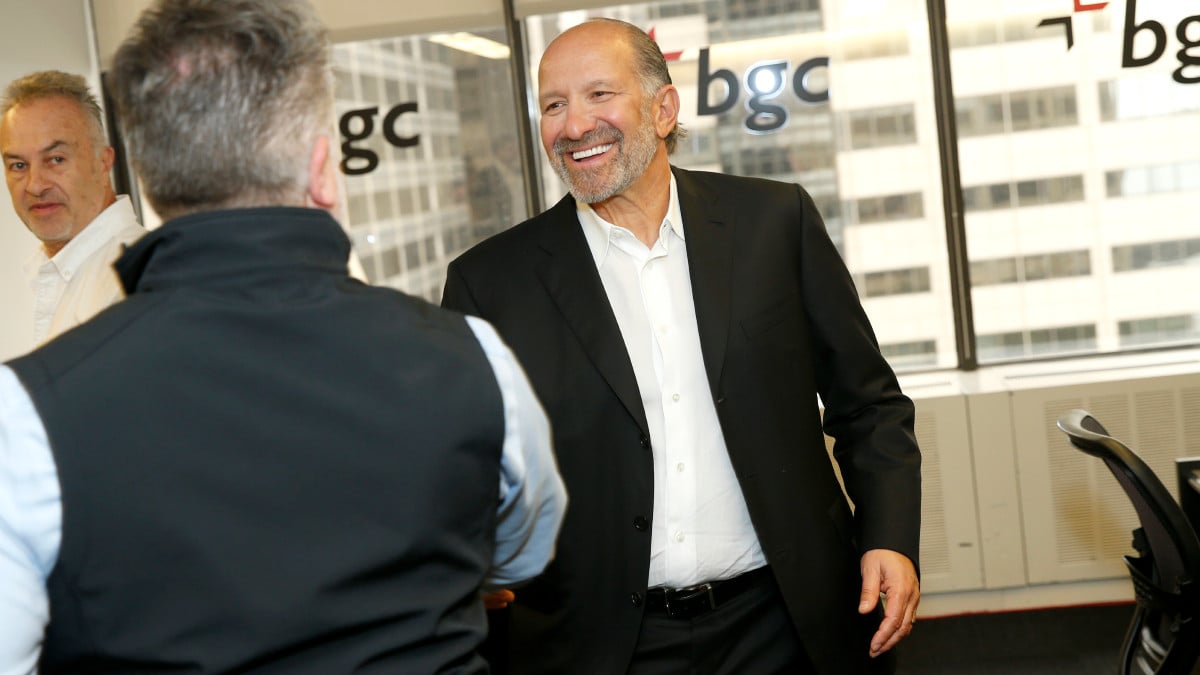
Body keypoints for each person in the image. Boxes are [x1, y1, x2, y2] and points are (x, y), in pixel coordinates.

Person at [0, 0, 565, 673]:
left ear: (144, 176)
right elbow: (523, 550)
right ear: (323, 170)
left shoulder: (29, 412)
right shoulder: (474, 357)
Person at [442, 17, 921, 675]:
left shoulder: (774, 224)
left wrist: (891, 539)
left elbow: (870, 405)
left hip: (787, 622)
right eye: (554, 104)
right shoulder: (490, 282)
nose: (574, 125)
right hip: (602, 644)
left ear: (663, 108)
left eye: (599, 95)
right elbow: (465, 462)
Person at [1, 70, 145, 346]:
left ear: (102, 163)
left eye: (55, 159)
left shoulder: (135, 283)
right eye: (18, 165)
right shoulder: (43, 277)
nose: (35, 185)